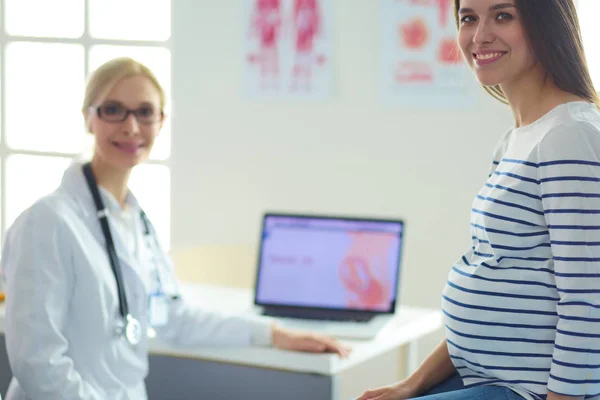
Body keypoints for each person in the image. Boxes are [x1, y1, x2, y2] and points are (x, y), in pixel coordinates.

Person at [1, 57, 350, 400]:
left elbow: (174, 318)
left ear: (162, 120)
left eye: (145, 112)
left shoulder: (137, 223)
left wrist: (272, 334)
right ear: (88, 118)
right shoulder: (47, 222)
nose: (131, 127)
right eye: (113, 110)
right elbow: (37, 362)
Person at [357, 0, 600, 399]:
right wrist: (410, 385)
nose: (479, 35)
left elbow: (588, 300)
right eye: (468, 18)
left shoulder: (570, 135)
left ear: (546, 25)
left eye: (502, 16)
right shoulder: (517, 139)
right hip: (483, 377)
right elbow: (492, 272)